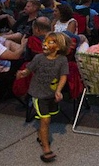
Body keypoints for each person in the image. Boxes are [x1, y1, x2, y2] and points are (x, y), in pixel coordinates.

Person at [15, 32, 69, 163]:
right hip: (38, 94)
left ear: (58, 47)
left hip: (51, 95)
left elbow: (63, 76)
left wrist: (59, 91)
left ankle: (41, 135)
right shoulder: (38, 58)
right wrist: (23, 73)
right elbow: (28, 70)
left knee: (45, 118)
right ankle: (46, 149)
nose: (45, 44)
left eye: (50, 42)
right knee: (46, 120)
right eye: (45, 41)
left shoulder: (62, 60)